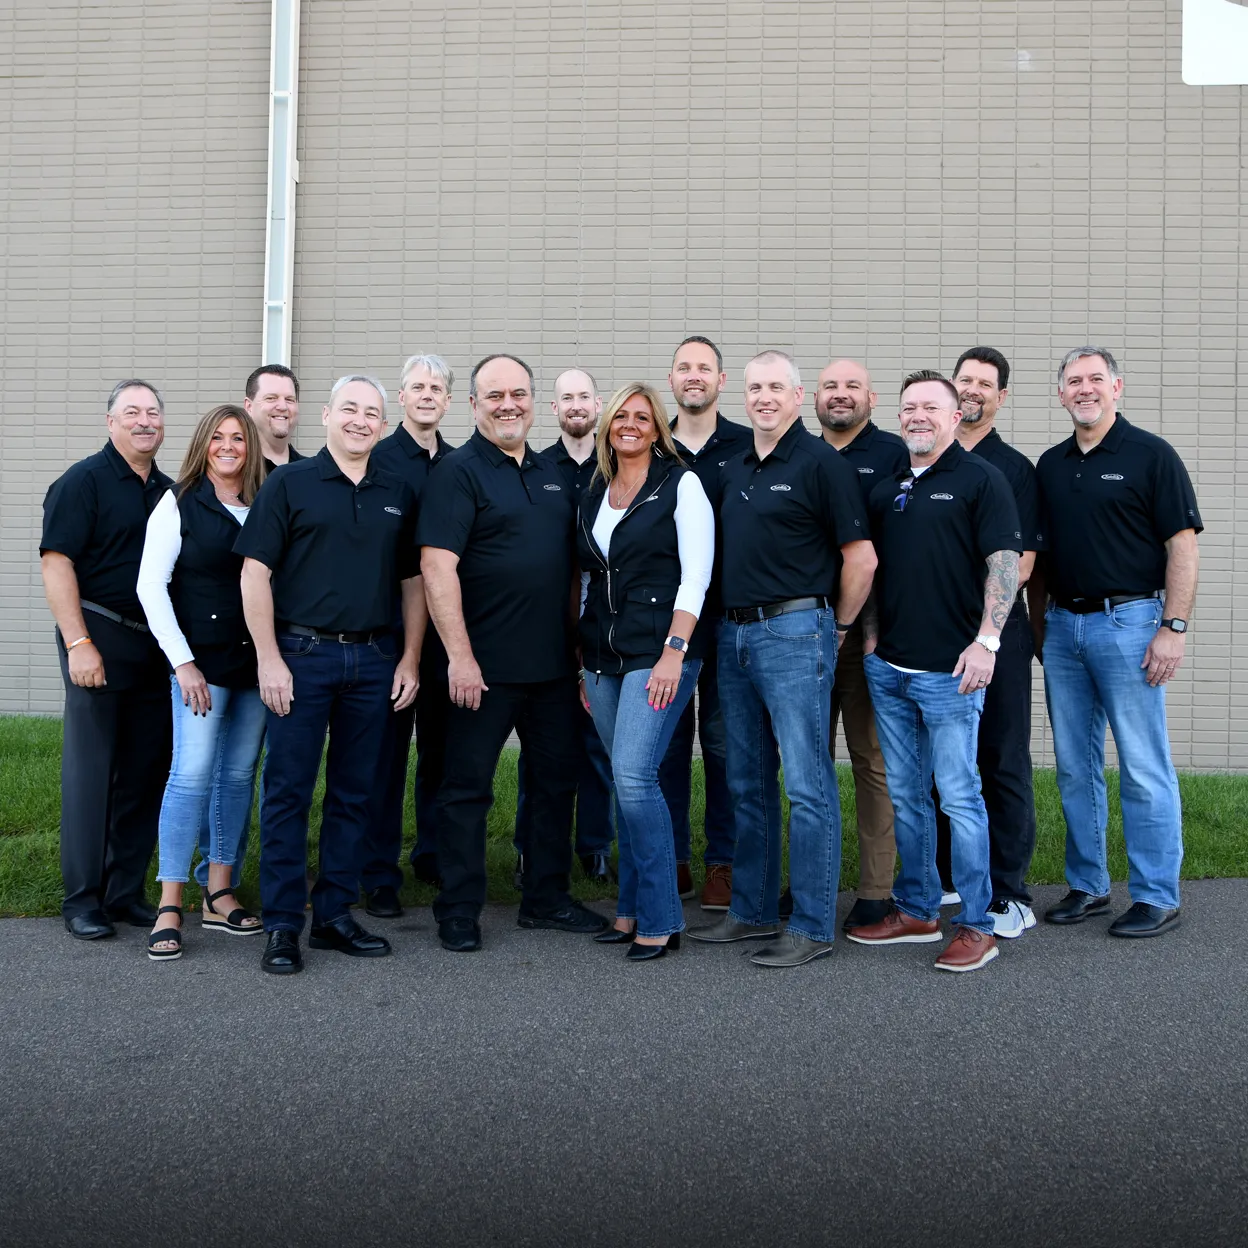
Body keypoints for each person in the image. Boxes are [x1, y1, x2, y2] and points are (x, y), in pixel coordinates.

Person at [688, 351, 876, 968]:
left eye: (776, 387)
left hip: (797, 630)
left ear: (798, 395)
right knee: (746, 781)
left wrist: (838, 626)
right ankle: (752, 912)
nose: (764, 397)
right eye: (755, 388)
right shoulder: (735, 466)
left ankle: (815, 925)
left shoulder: (821, 462)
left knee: (807, 783)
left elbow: (861, 558)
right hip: (734, 634)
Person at [418, 354, 608, 953]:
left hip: (552, 667)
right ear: (473, 405)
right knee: (467, 789)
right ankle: (458, 908)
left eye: (519, 394)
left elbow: (570, 571)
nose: (508, 404)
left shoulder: (552, 472)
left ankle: (546, 898)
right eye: (494, 395)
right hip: (482, 669)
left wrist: (579, 651)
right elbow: (436, 566)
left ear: (534, 401)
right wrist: (460, 657)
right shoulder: (458, 471)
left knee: (556, 784)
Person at [236, 375, 424, 974]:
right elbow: (254, 575)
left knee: (354, 793)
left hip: (373, 661)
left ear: (383, 426)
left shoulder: (397, 490)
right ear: (326, 416)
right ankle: (284, 924)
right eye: (350, 409)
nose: (361, 420)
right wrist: (269, 658)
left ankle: (335, 915)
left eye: (372, 413)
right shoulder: (289, 484)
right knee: (288, 792)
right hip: (302, 658)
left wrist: (410, 658)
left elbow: (413, 583)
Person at [848, 371, 1022, 973]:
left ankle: (977, 923)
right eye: (909, 408)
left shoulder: (982, 480)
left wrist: (988, 642)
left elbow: (1003, 564)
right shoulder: (888, 486)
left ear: (954, 417)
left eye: (931, 407)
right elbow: (871, 569)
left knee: (960, 797)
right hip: (889, 670)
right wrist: (870, 641)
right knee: (906, 794)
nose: (918, 416)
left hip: (951, 673)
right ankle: (919, 908)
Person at [1034, 347, 1201, 938]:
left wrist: (1172, 628)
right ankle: (1089, 885)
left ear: (1117, 387)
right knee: (1075, 767)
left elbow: (1182, 546)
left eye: (1095, 379)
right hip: (1062, 628)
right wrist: (1039, 629)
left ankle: (1157, 894)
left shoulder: (1151, 455)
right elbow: (1040, 559)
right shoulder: (1049, 465)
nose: (1084, 389)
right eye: (1073, 381)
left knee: (1142, 763)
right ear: (1060, 394)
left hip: (1129, 623)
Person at [580, 383, 714, 961]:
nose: (629, 425)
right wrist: (579, 661)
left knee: (635, 777)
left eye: (642, 418)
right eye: (620, 417)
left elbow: (696, 574)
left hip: (659, 653)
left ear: (658, 428)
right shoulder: (594, 490)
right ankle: (630, 908)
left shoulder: (682, 484)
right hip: (600, 657)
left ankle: (662, 917)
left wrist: (673, 651)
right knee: (621, 778)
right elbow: (587, 579)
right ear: (608, 425)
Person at [40, 380, 174, 940]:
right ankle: (83, 899)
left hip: (153, 646)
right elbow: (56, 563)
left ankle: (124, 893)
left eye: (153, 413)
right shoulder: (83, 482)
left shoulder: (169, 490)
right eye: (132, 412)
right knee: (93, 774)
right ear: (110, 421)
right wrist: (78, 643)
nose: (145, 421)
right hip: (97, 634)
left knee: (145, 773)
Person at [136, 404, 269, 958]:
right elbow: (151, 587)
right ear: (203, 444)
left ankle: (219, 892)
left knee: (237, 778)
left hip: (257, 667)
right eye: (218, 437)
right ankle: (170, 903)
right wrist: (182, 663)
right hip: (201, 669)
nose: (228, 446)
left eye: (238, 437)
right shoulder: (179, 502)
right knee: (189, 776)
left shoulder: (265, 503)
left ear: (251, 446)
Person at [927, 347, 1048, 939]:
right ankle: (949, 875)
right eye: (964, 380)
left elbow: (1021, 562)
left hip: (997, 635)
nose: (972, 390)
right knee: (941, 760)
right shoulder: (924, 461)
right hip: (931, 636)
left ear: (1002, 396)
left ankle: (1009, 892)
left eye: (985, 383)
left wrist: (984, 627)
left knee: (1000, 757)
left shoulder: (1013, 469)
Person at [657, 335, 754, 909]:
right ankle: (670, 862)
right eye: (683, 368)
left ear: (721, 381)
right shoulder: (651, 444)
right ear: (671, 380)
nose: (694, 376)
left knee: (725, 747)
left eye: (705, 368)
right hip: (664, 627)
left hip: (728, 623)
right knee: (664, 746)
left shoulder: (747, 446)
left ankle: (724, 861)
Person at [358, 353, 455, 917]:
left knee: (442, 753)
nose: (426, 395)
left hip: (447, 636)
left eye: (436, 387)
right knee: (385, 757)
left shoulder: (461, 463)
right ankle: (379, 871)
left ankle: (435, 854)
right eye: (417, 386)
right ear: (402, 397)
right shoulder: (378, 458)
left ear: (447, 401)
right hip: (388, 635)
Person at [814, 359, 908, 930]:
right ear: (814, 397)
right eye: (831, 386)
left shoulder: (895, 455)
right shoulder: (798, 453)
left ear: (871, 398)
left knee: (873, 761)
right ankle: (815, 883)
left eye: (852, 386)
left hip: (871, 638)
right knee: (807, 762)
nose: (841, 395)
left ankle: (876, 889)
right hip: (801, 635)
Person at [515, 368, 614, 885]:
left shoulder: (614, 464)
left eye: (584, 397)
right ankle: (530, 847)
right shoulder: (535, 467)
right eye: (565, 398)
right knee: (541, 744)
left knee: (597, 740)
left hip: (602, 617)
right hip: (545, 620)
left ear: (597, 405)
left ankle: (595, 845)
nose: (576, 405)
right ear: (553, 409)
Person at [244, 364, 304, 472]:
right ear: (249, 406)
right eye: (271, 398)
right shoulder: (234, 470)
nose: (282, 407)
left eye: (289, 399)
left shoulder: (309, 473)